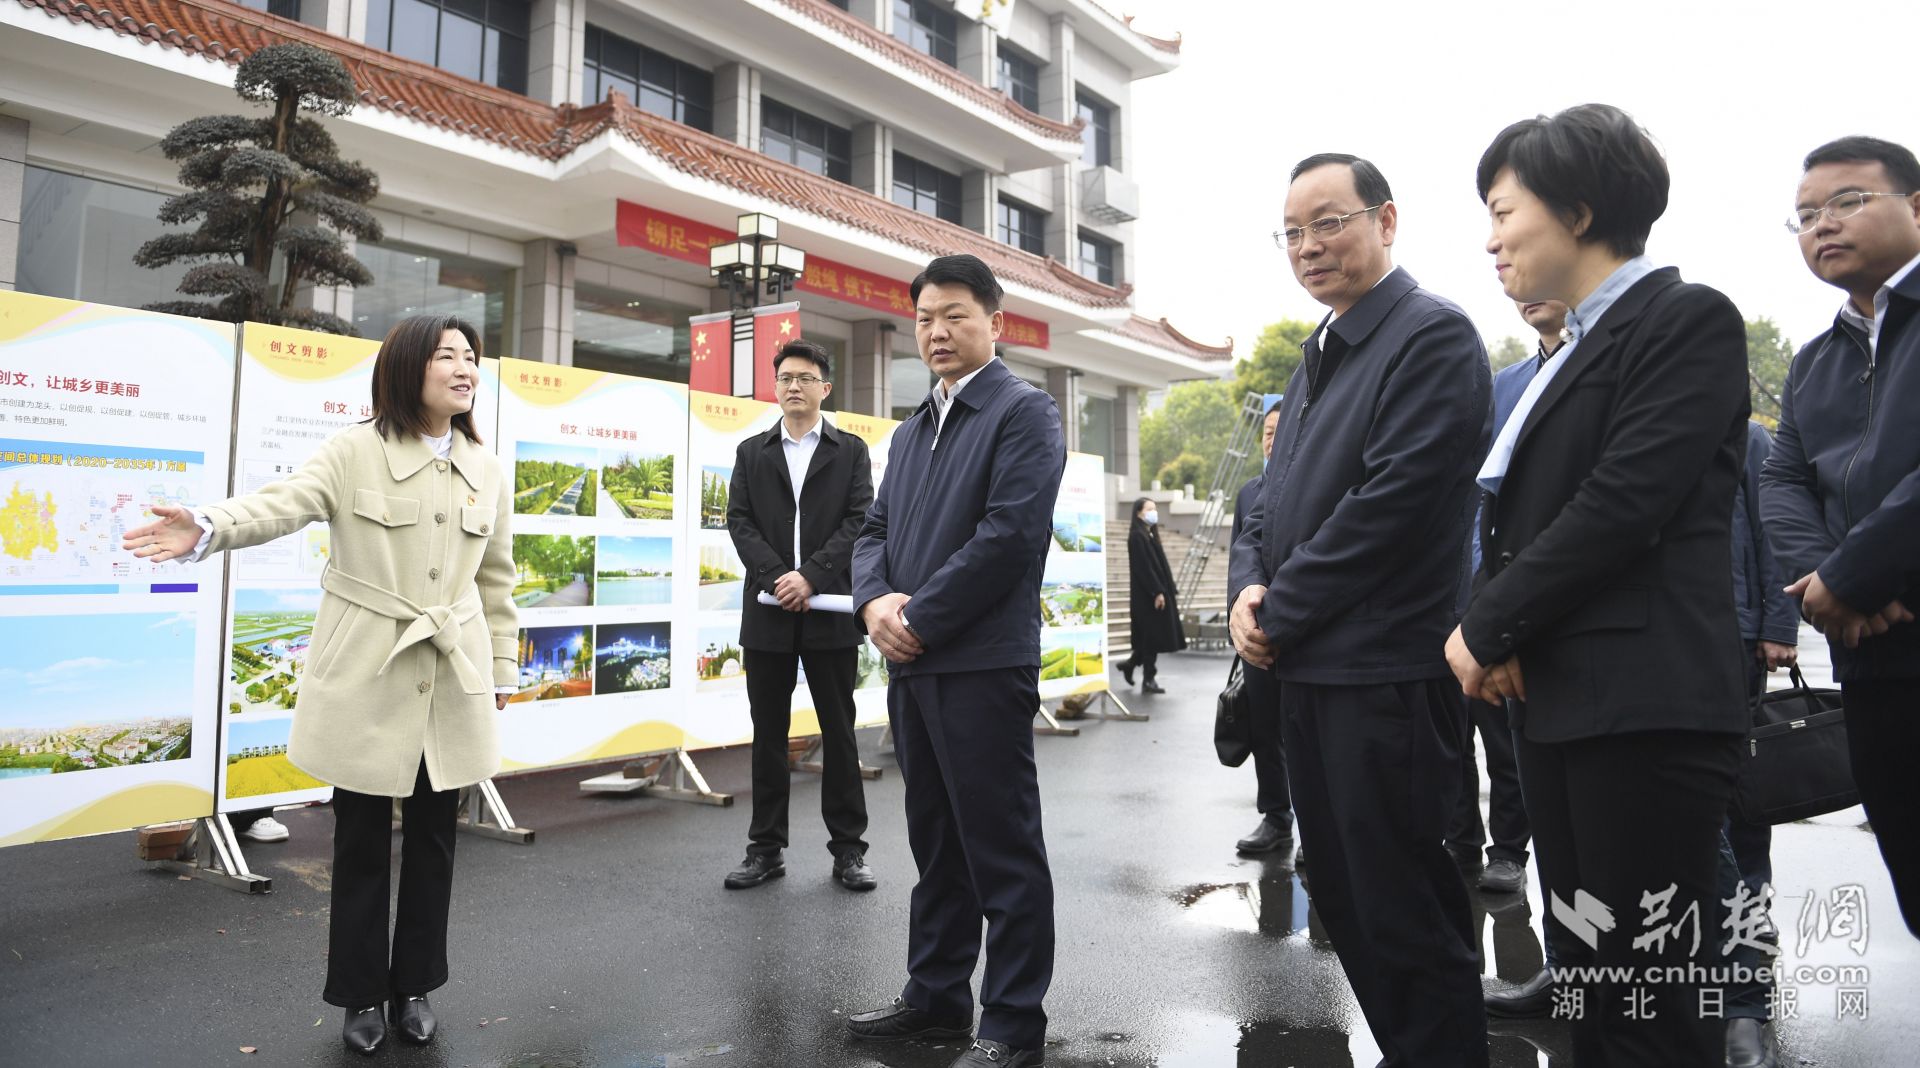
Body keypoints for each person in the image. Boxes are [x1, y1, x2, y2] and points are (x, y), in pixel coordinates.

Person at [122, 315, 518, 1057]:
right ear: (408, 368)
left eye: (472, 358)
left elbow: (496, 580)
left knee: (436, 840)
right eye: (448, 357)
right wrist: (205, 526)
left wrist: (499, 668)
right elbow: (281, 503)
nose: (465, 370)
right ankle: (361, 995)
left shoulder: (488, 470)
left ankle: (417, 986)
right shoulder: (354, 450)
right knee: (363, 840)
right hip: (372, 672)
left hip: (451, 676)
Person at [1448, 105, 1750, 1065]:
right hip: (1564, 705)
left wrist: (1485, 626)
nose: (1491, 240)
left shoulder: (1683, 319)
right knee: (1594, 991)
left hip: (1644, 711)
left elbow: (1623, 503)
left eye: (1504, 212)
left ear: (1577, 213)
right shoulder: (1566, 350)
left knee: (1650, 1008)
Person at [1229, 153, 1491, 1066]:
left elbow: (1391, 505)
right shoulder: (1318, 355)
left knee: (1403, 908)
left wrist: (1280, 607)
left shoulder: (1431, 337)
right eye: (1293, 231)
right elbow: (1271, 499)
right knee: (1341, 895)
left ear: (1386, 220)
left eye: (1329, 222)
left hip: (1384, 675)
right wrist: (1246, 593)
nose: (1309, 246)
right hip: (1309, 669)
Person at [847, 254, 1065, 1068]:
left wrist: (920, 618)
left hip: (979, 662)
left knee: (1000, 847)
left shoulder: (1023, 413)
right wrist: (875, 604)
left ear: (995, 322)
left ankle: (1011, 1022)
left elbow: (1009, 537)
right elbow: (875, 532)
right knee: (935, 841)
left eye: (956, 315)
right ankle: (935, 998)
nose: (937, 332)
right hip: (914, 663)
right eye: (926, 318)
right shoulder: (909, 432)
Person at [1762, 135, 1920, 938]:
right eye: (1804, 216)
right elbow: (1781, 479)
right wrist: (1826, 582)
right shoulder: (1816, 361)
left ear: (1916, 206)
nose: (1822, 224)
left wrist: (1854, 575)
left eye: (1848, 202)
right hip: (1872, 656)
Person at [721, 339, 877, 893]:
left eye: (806, 378)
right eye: (785, 377)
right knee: (769, 735)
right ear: (776, 385)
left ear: (824, 388)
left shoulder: (849, 451)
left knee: (839, 731)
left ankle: (849, 851)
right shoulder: (751, 452)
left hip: (830, 608)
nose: (794, 386)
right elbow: (738, 522)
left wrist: (810, 574)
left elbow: (860, 520)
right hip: (768, 613)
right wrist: (777, 579)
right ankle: (765, 850)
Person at [1450, 300, 1565, 897]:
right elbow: (1481, 500)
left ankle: (1512, 849)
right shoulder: (1506, 386)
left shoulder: (1613, 362)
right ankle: (1490, 846)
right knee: (1492, 734)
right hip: (1489, 591)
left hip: (1566, 597)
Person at [1230, 399, 1295, 857]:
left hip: (1303, 624)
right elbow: (1241, 551)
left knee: (1307, 732)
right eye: (1267, 432)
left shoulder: (1315, 481)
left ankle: (1317, 826)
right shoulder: (1250, 491)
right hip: (1257, 631)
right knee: (1264, 729)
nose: (1273, 438)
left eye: (1280, 429)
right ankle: (1276, 817)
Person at [1115, 496, 1184, 694]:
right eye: (1149, 509)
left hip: (1155, 592)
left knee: (1149, 638)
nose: (1153, 513)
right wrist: (1157, 591)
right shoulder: (1137, 536)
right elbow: (1143, 568)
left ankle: (1130, 665)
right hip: (1147, 595)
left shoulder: (1148, 534)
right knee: (1151, 638)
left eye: (1155, 509)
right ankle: (1148, 678)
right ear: (1138, 513)